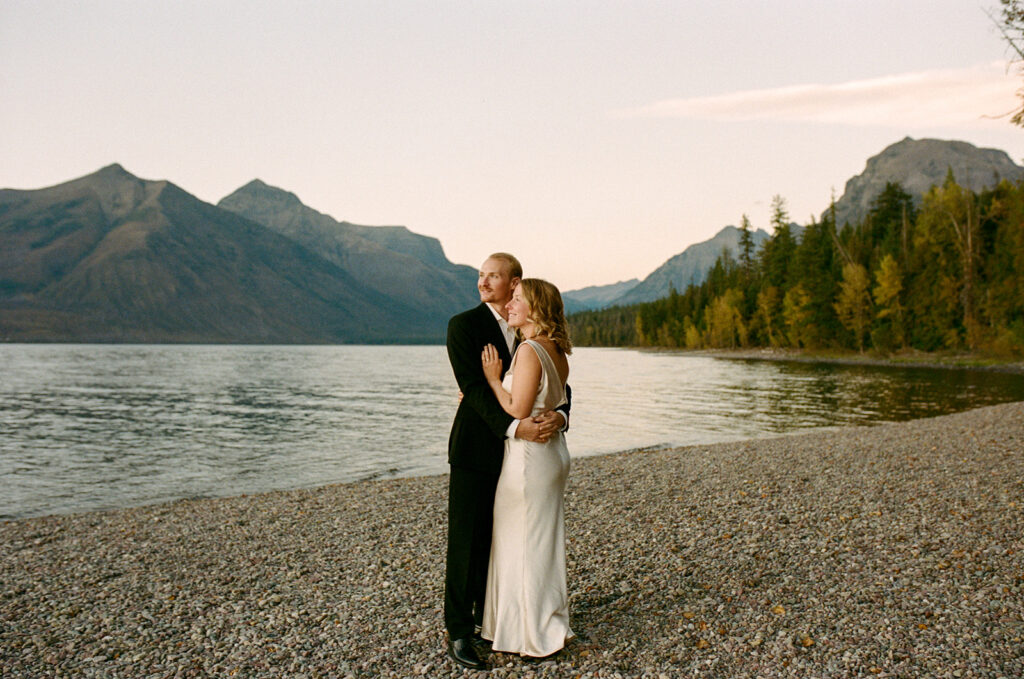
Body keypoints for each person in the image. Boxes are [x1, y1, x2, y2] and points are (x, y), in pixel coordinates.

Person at [444, 254, 570, 670]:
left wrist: (561, 415)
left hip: (523, 456)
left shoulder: (527, 330)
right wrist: (517, 429)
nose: (482, 282)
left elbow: (559, 388)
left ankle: (498, 618)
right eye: (480, 276)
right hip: (479, 450)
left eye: (492, 276)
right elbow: (474, 390)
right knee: (467, 540)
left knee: (508, 539)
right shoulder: (463, 325)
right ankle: (460, 632)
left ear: (514, 283)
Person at [479, 278, 574, 658]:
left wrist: (490, 381)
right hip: (551, 453)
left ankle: (529, 633)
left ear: (534, 308)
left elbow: (518, 409)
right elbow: (556, 400)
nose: (511, 304)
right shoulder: (558, 350)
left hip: (528, 459)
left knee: (521, 543)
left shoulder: (529, 350)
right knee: (540, 543)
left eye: (518, 299)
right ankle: (536, 621)